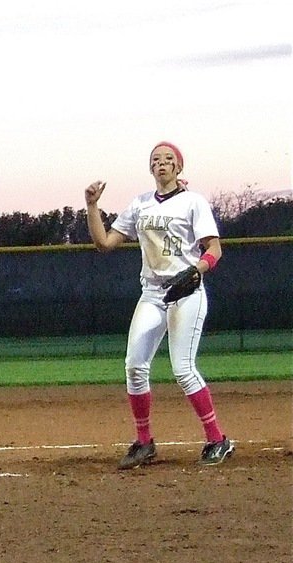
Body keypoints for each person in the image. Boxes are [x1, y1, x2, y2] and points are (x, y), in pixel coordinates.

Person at [85, 141, 234, 470]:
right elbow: (104, 243)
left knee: (183, 370)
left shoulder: (193, 202)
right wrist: (92, 207)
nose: (162, 163)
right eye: (156, 159)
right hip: (152, 294)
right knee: (135, 367)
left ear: (179, 167)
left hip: (187, 293)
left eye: (168, 159)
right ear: (150, 168)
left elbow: (214, 249)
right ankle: (144, 443)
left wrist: (197, 270)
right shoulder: (140, 204)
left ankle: (217, 439)